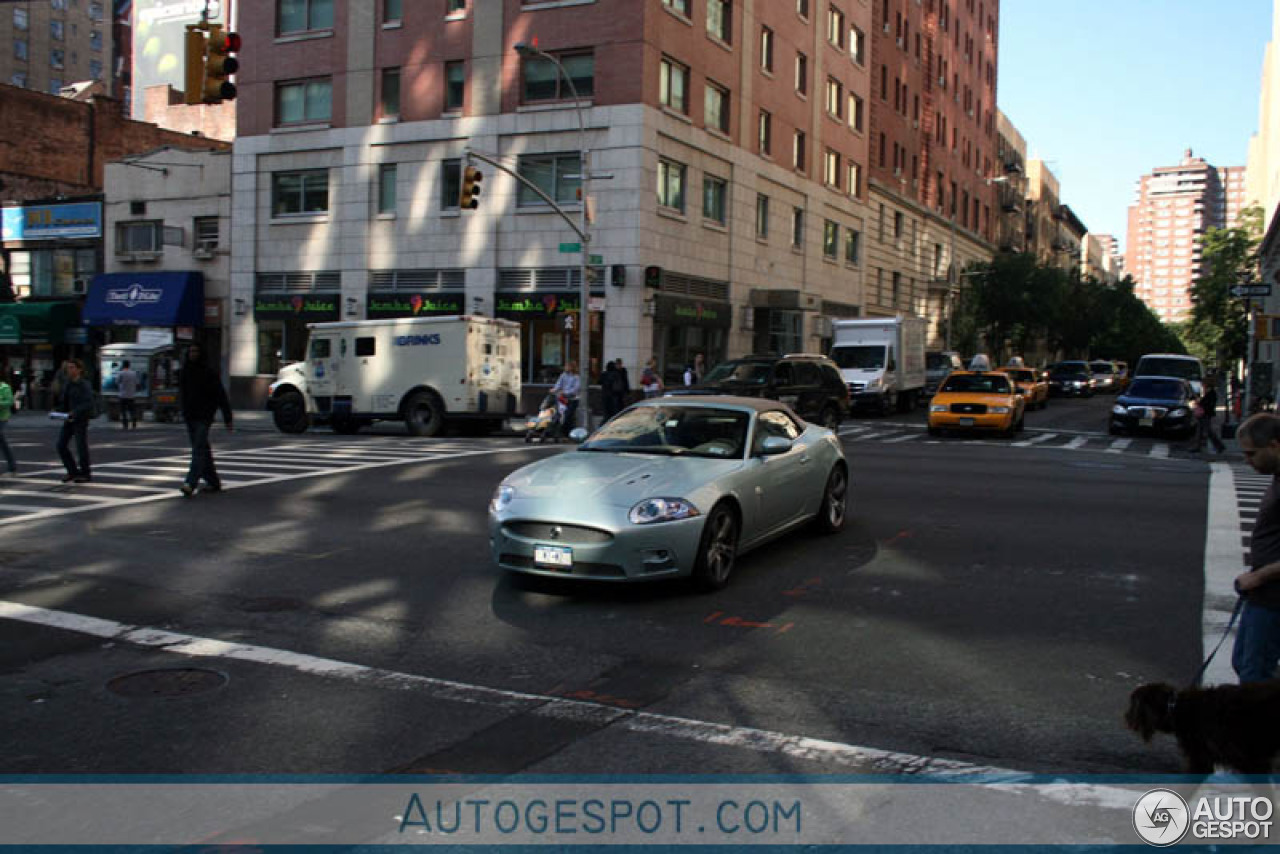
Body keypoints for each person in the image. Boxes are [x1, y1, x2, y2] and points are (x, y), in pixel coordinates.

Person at [1232, 413, 1280, 683]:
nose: (1247, 461)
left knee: (1255, 675)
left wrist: (1259, 576)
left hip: (1274, 597)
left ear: (1274, 445)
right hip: (1262, 594)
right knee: (1244, 663)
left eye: (1252, 454)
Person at [178, 343, 233, 497]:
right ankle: (213, 481)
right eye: (191, 351)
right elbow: (182, 393)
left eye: (195, 351)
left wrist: (227, 417)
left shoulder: (208, 372)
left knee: (198, 449)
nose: (193, 354)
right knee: (202, 449)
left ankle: (190, 482)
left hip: (204, 416)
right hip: (190, 415)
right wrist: (182, 410)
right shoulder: (185, 372)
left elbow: (220, 395)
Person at [54, 358, 93, 483]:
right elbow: (64, 401)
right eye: (68, 368)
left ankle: (85, 473)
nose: (69, 370)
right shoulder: (68, 384)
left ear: (79, 369)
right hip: (68, 419)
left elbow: (88, 403)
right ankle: (72, 471)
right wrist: (58, 411)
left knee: (81, 446)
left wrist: (75, 411)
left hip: (80, 419)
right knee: (61, 445)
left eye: (72, 367)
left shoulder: (84, 384)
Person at [1189, 375, 1226, 454]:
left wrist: (1199, 403)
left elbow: (1206, 404)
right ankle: (1198, 446)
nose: (1202, 384)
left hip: (1206, 414)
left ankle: (1219, 446)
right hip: (1205, 413)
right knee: (1201, 430)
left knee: (1207, 431)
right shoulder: (1209, 393)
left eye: (1203, 383)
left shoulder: (1211, 393)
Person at [550, 360, 581, 436]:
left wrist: (565, 392)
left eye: (567, 366)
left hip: (572, 399)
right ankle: (558, 432)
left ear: (571, 367)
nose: (565, 367)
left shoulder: (576, 377)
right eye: (565, 366)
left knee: (568, 416)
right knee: (559, 415)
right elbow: (559, 384)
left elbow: (575, 389)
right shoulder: (563, 375)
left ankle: (567, 433)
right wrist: (555, 389)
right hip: (562, 398)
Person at [116, 359, 140, 430]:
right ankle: (134, 422)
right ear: (129, 365)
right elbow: (137, 383)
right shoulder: (134, 373)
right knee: (132, 410)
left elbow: (117, 382)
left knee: (123, 411)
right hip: (131, 395)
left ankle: (125, 424)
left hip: (122, 395)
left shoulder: (121, 373)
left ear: (123, 365)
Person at [0, 371, 16, 476]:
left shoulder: (5, 387)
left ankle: (12, 467)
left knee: (2, 442)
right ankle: (12, 467)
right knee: (2, 443)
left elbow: (10, 402)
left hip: (1, 417)